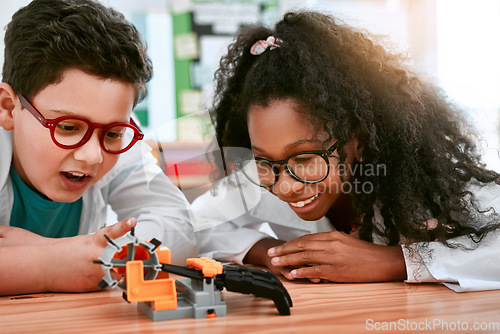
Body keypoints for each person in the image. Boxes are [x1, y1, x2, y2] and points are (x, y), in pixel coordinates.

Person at [192, 10, 500, 291]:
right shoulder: (260, 177)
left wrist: (395, 260)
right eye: (263, 159)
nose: (284, 185)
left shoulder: (424, 185)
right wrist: (271, 253)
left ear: (359, 139)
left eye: (304, 158)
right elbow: (192, 224)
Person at [0, 0, 196, 296]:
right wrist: (48, 264)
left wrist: (80, 256)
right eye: (68, 128)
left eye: (114, 132)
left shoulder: (119, 143)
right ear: (8, 108)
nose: (93, 155)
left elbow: (179, 229)